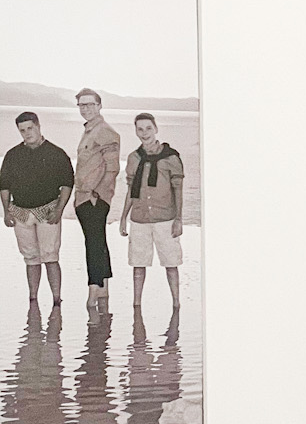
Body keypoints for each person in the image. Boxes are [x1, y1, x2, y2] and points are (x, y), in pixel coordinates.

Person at [0, 112, 75, 308]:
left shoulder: (56, 153)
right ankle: (33, 300)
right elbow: (4, 185)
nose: (27, 133)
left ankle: (57, 300)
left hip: (48, 210)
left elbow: (67, 183)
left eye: (30, 128)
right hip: (21, 213)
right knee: (30, 258)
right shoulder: (12, 155)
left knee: (50, 256)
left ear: (38, 126)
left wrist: (59, 210)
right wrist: (6, 211)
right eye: (22, 130)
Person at [120, 113, 184, 309]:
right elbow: (131, 190)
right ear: (135, 131)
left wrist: (179, 219)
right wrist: (123, 217)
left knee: (171, 264)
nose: (144, 133)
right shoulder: (134, 158)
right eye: (140, 129)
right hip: (139, 219)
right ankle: (137, 306)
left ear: (155, 129)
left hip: (165, 219)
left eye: (148, 128)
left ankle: (176, 304)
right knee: (138, 266)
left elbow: (178, 189)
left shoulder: (171, 157)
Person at [73, 88, 120, 304]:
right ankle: (103, 290)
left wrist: (96, 196)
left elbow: (112, 169)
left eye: (90, 104)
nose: (86, 109)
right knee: (98, 242)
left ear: (99, 106)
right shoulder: (89, 130)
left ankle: (93, 293)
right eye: (82, 105)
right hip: (84, 197)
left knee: (93, 244)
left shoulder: (105, 131)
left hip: (94, 199)